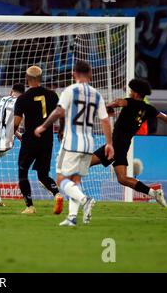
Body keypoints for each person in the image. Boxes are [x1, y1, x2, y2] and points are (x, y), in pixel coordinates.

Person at [35, 61, 114, 226]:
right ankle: (72, 217)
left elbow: (59, 111)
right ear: (90, 74)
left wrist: (43, 126)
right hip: (88, 144)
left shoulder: (70, 91)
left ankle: (85, 200)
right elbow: (105, 120)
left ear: (74, 74)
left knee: (61, 179)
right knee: (75, 180)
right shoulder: (96, 94)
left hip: (71, 142)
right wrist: (109, 143)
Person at [91, 79, 167, 206]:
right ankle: (153, 193)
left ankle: (74, 196)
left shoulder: (130, 102)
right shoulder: (149, 108)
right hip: (123, 145)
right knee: (122, 178)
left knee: (84, 163)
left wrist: (109, 106)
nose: (130, 93)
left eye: (132, 91)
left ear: (137, 94)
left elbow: (118, 102)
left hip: (115, 145)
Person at [13, 66, 63, 215]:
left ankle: (30, 207)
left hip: (30, 140)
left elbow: (16, 122)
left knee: (23, 172)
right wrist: (61, 129)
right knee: (43, 175)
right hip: (47, 140)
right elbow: (62, 114)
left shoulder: (22, 98)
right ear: (41, 78)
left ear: (27, 78)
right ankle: (57, 194)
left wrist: (13, 133)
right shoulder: (53, 95)